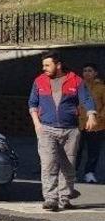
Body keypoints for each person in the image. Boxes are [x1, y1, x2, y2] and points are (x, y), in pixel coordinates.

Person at [28, 51, 98, 211]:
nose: (44, 68)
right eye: (43, 65)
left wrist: (91, 114)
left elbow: (86, 98)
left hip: (70, 131)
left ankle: (64, 198)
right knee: (48, 164)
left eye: (47, 65)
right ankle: (51, 199)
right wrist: (37, 124)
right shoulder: (39, 81)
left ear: (58, 65)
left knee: (68, 165)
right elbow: (32, 103)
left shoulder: (75, 80)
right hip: (46, 129)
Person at [77, 62, 105, 183]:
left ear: (95, 73)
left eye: (90, 71)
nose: (87, 73)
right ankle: (73, 172)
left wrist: (100, 117)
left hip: (96, 125)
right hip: (78, 124)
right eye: (85, 71)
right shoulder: (78, 86)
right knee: (76, 150)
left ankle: (89, 173)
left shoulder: (101, 88)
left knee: (93, 150)